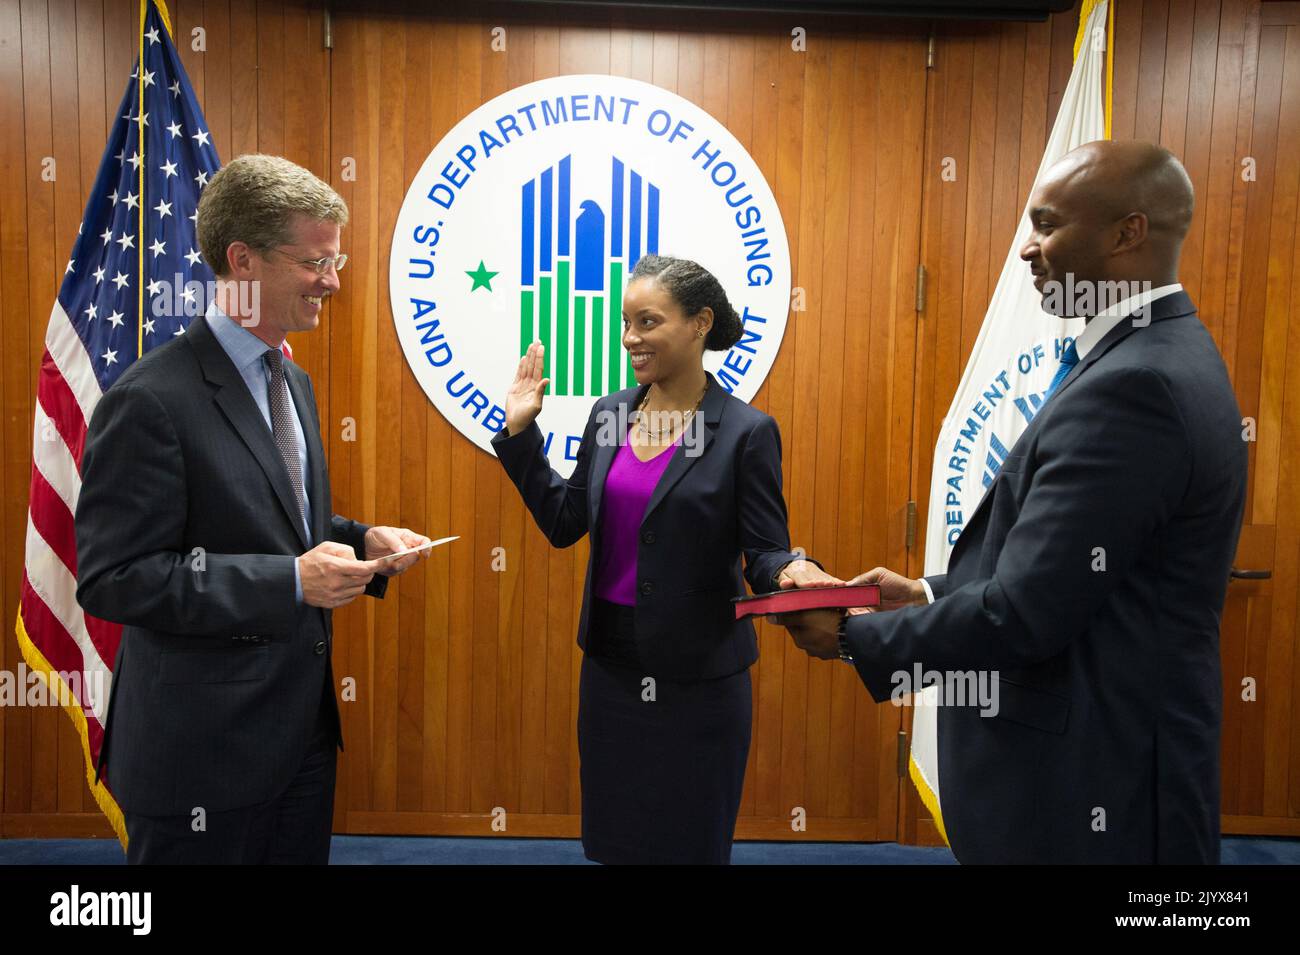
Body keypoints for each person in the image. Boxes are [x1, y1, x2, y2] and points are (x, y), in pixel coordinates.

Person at [777, 141, 1247, 864]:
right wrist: (925, 591)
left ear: (1128, 232)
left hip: (1091, 793)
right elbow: (1067, 566)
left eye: (1047, 224)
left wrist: (850, 638)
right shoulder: (1150, 352)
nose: (1027, 248)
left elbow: (1025, 612)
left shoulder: (1137, 385)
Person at [75, 154, 431, 864]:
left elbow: (276, 520)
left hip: (299, 743)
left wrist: (361, 541)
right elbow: (115, 577)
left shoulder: (291, 378)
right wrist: (288, 581)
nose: (333, 280)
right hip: (200, 758)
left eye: (339, 259)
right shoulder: (150, 399)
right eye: (316, 262)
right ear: (242, 260)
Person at [494, 254, 837, 863]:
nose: (631, 339)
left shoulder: (745, 431)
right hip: (611, 670)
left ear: (700, 323)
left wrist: (791, 569)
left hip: (699, 678)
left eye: (647, 322)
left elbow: (763, 548)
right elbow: (565, 523)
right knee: (616, 841)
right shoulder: (610, 414)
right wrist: (521, 437)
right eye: (626, 323)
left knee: (688, 844)